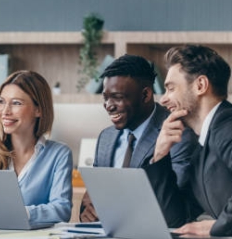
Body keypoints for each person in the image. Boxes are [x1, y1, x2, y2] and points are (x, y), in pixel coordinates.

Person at [80, 55, 198, 225]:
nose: (109, 105)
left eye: (118, 97)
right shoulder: (106, 137)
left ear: (146, 95)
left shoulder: (177, 134)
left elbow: (175, 209)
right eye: (105, 98)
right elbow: (92, 197)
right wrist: (87, 212)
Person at [0, 70, 73, 224]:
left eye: (16, 103)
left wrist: (16, 213)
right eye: (1, 101)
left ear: (38, 109)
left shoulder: (59, 154)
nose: (5, 111)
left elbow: (61, 211)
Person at [146, 44, 232, 237]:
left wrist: (216, 227)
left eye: (170, 88)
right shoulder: (201, 147)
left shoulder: (227, 126)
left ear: (200, 85)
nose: (163, 100)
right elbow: (175, 219)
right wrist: (160, 155)